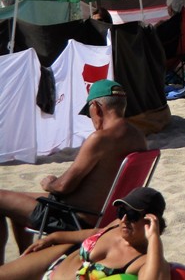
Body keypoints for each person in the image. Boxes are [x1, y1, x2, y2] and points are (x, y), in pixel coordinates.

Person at [0, 80, 147, 263]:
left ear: (96, 107)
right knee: (16, 199)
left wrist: (50, 183)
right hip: (105, 216)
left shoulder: (99, 139)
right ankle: (26, 260)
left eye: (89, 114)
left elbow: (64, 187)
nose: (91, 120)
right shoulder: (138, 137)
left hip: (71, 218)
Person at [1, 187, 170, 280]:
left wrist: (154, 237)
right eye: (121, 212)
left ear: (150, 221)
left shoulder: (145, 260)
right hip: (55, 262)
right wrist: (53, 238)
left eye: (132, 215)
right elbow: (90, 233)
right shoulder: (117, 225)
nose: (124, 219)